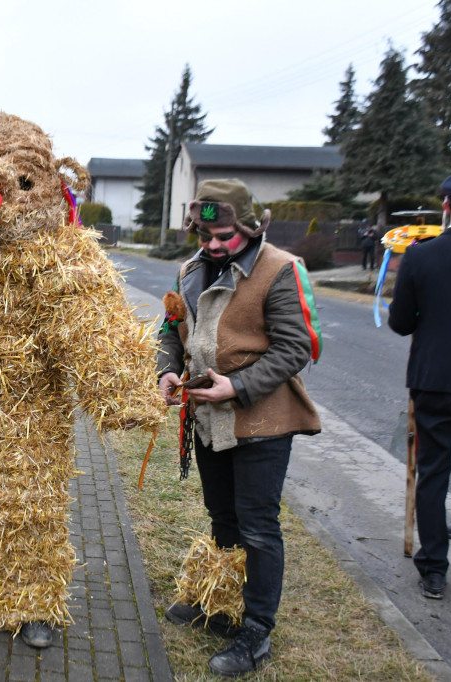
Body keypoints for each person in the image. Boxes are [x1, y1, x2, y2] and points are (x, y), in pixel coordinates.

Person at [156, 179, 322, 676]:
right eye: (204, 233)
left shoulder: (282, 269)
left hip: (262, 423)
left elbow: (299, 348)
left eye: (223, 234)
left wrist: (237, 386)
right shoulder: (189, 270)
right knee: (222, 516)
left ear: (251, 227)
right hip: (208, 421)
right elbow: (171, 331)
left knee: (258, 526)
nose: (212, 244)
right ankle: (222, 602)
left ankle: (256, 631)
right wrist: (166, 369)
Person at [388, 162, 451, 603]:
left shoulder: (421, 255)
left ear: (446, 206)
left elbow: (401, 322)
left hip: (433, 381)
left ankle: (434, 570)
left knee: (433, 476)